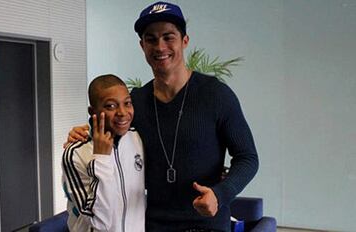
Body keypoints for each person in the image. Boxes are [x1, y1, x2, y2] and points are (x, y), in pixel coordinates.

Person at [66, 2, 258, 231]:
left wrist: (220, 194)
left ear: (184, 41)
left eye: (169, 37)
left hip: (207, 224)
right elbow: (111, 128)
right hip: (154, 224)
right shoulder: (135, 102)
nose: (160, 46)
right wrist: (85, 131)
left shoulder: (216, 95)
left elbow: (248, 158)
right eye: (151, 39)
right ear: (142, 46)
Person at [62, 74, 145, 232]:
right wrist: (101, 158)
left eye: (127, 103)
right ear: (92, 111)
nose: (122, 112)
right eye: (110, 106)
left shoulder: (137, 138)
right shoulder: (75, 154)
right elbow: (99, 220)